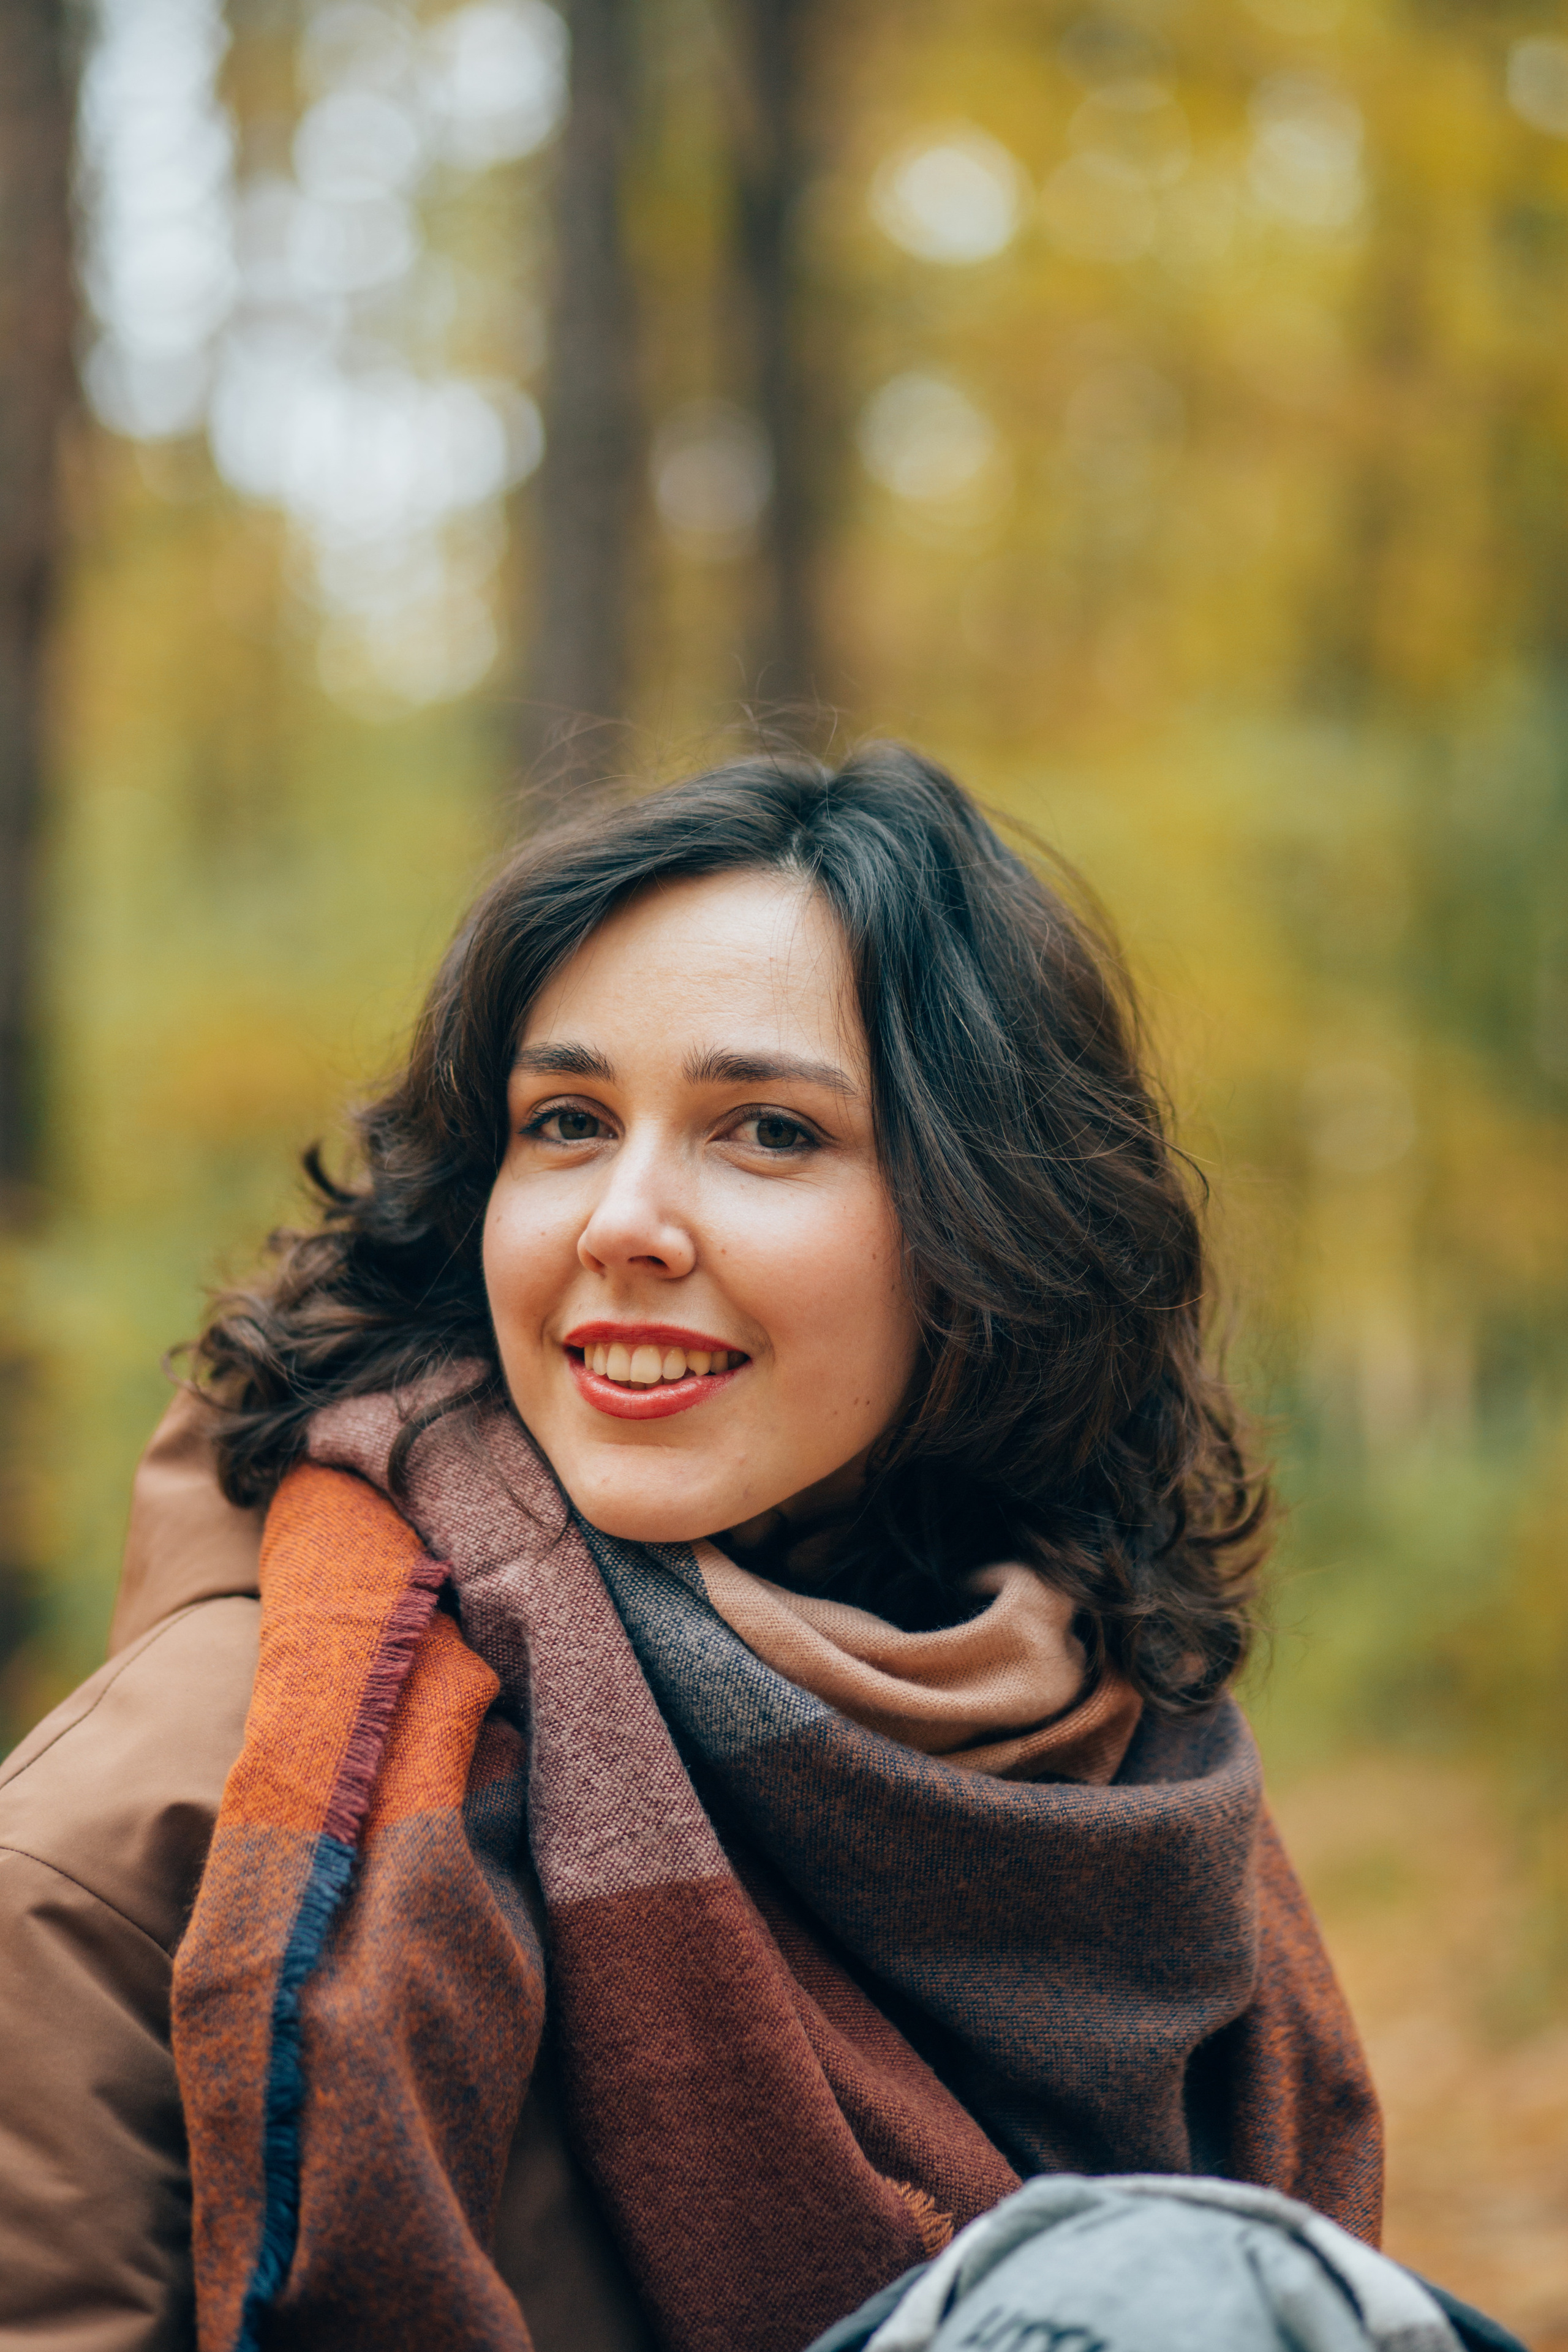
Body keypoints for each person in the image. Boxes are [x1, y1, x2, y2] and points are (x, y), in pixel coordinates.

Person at [0, 745, 1383, 2352]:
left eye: (768, 1132)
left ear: (989, 1228)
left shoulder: (1127, 1776)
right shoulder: (172, 1813)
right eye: (568, 1121)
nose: (624, 1220)